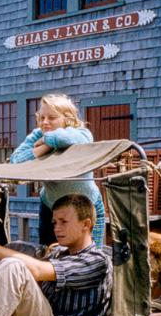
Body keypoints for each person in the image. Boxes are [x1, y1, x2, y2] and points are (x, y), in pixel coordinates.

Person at [9, 93, 107, 245]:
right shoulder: (37, 135)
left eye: (52, 118)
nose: (45, 122)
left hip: (86, 205)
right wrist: (44, 148)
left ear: (67, 119)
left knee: (89, 253)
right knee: (49, 251)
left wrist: (47, 139)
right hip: (51, 205)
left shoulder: (80, 132)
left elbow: (80, 139)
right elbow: (16, 161)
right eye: (41, 117)